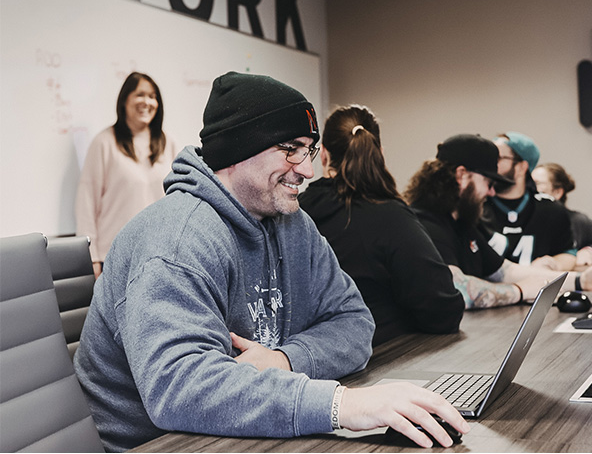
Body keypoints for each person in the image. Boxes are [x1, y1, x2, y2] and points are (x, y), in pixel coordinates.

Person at [74, 72, 468, 452]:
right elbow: (180, 388)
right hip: (158, 444)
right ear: (238, 150)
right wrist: (340, 405)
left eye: (309, 150)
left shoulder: (292, 222)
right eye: (290, 149)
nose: (308, 170)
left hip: (242, 433)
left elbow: (354, 321)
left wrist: (284, 359)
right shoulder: (176, 240)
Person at [299, 104, 464, 346]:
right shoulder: (390, 217)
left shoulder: (296, 213)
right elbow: (443, 310)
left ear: (323, 154)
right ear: (380, 153)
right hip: (380, 357)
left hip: (312, 360)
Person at [404, 134, 592, 309]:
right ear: (462, 176)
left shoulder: (461, 225)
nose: (492, 192)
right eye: (488, 182)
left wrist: (582, 280)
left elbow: (507, 271)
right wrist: (520, 291)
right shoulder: (424, 224)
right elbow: (458, 290)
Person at [74, 71, 179, 278]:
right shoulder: (104, 142)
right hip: (114, 257)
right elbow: (87, 202)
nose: (147, 102)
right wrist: (92, 257)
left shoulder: (169, 143)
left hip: (160, 256)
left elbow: (179, 199)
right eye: (140, 94)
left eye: (152, 96)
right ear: (124, 100)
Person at [483, 132, 577, 271]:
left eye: (499, 158)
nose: (490, 165)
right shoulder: (475, 207)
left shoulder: (550, 209)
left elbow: (568, 253)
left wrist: (553, 264)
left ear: (521, 167)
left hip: (535, 289)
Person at [531, 163, 592, 266]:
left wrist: (588, 252)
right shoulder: (522, 220)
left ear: (557, 192)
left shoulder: (577, 220)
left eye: (536, 183)